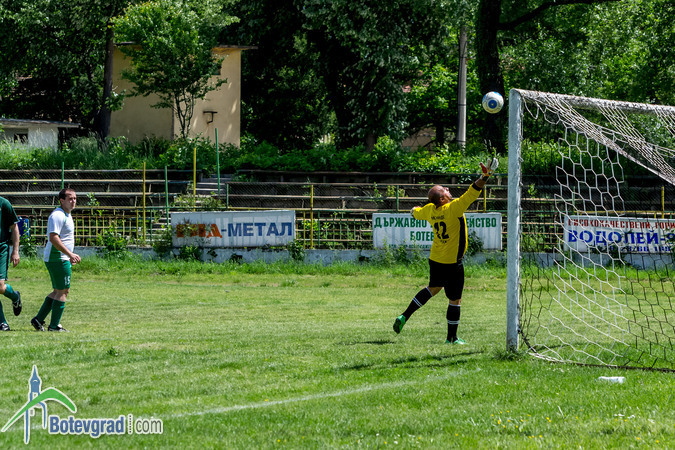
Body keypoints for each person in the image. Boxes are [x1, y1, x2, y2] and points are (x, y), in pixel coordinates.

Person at [393, 158, 498, 344]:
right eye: (445, 190)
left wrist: (413, 210)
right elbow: (473, 191)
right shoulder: (453, 209)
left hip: (436, 258)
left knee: (433, 288)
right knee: (455, 300)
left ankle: (404, 316)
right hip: (452, 262)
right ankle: (451, 338)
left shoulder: (429, 210)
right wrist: (485, 176)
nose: (448, 190)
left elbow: (416, 212)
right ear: (442, 199)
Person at [31, 188, 81, 332]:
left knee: (59, 291)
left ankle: (38, 319)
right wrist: (69, 254)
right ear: (62, 200)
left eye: (75, 198)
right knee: (63, 292)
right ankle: (54, 326)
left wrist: (69, 255)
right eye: (70, 198)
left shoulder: (67, 214)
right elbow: (53, 238)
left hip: (60, 257)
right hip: (57, 258)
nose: (73, 201)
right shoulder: (57, 215)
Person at [0, 196, 22, 331]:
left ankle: (15, 296)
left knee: (0, 286)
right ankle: (2, 322)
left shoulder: (4, 203)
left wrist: (15, 251)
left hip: (1, 249)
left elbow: (14, 227)